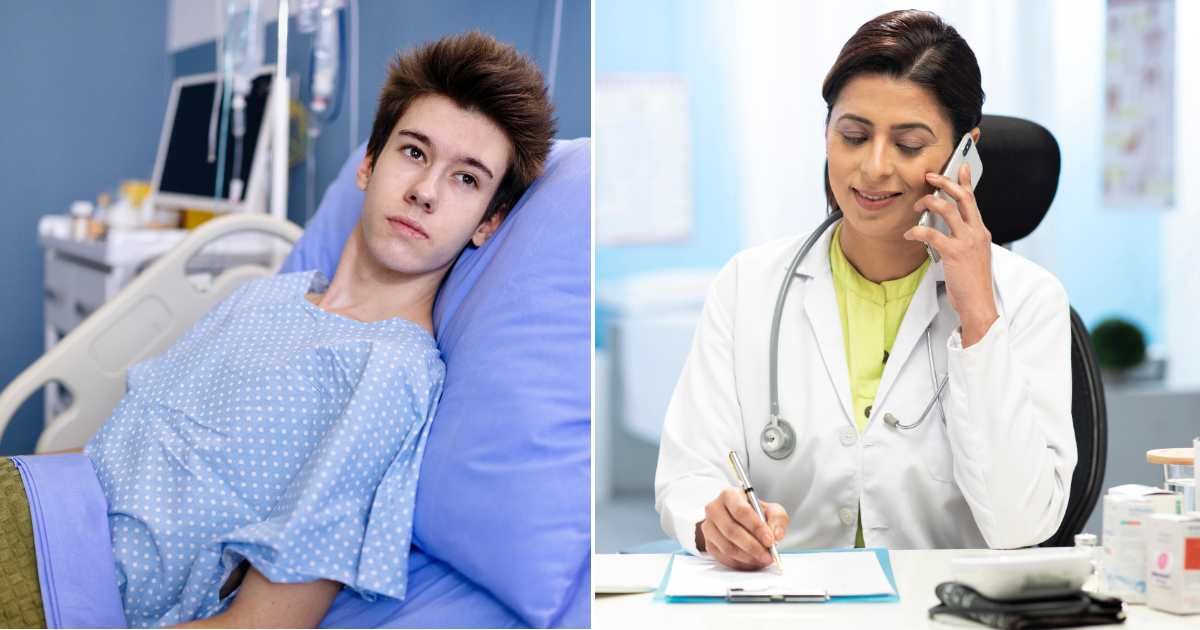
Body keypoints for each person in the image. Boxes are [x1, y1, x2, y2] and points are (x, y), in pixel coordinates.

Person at [0, 31, 555, 627]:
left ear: (488, 223)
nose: (424, 192)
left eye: (466, 179)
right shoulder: (267, 295)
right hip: (30, 495)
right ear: (368, 164)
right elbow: (119, 444)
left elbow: (262, 623)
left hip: (59, 587)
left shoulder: (391, 371)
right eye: (414, 152)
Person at [654, 9, 1076, 571]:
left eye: (908, 144)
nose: (874, 167)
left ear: (964, 154)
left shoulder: (1028, 299)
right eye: (853, 135)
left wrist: (978, 318)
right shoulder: (748, 285)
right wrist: (714, 523)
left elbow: (1020, 524)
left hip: (945, 609)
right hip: (784, 605)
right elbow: (689, 474)